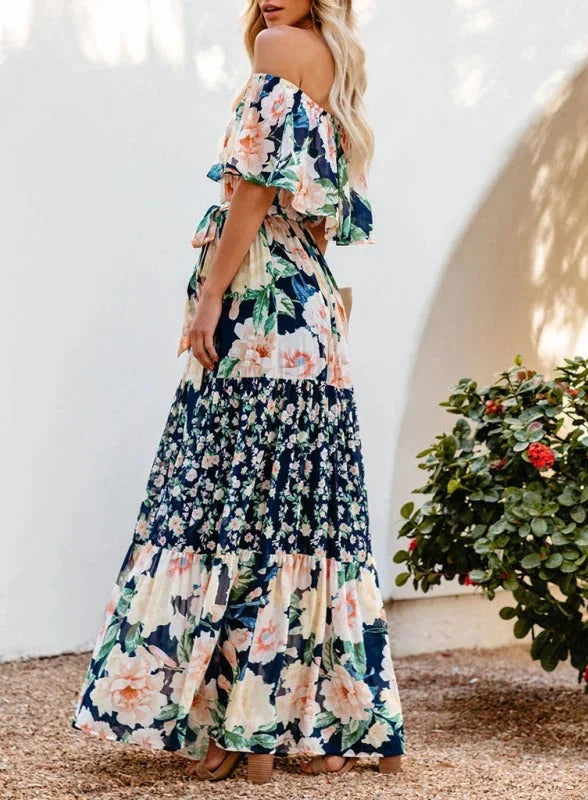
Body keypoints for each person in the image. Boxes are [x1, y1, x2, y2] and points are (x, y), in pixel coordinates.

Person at [71, 0, 406, 785]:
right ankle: (306, 728)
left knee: (228, 506)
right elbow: (320, 218)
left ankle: (229, 725)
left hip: (261, 313)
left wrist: (211, 296)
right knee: (305, 518)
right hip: (310, 320)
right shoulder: (333, 60)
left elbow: (252, 190)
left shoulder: (279, 45)